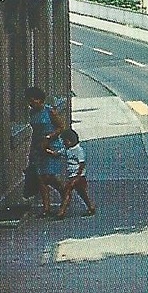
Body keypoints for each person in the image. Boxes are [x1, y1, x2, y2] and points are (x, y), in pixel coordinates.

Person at [25, 87, 67, 217]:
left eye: (33, 100)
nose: (31, 103)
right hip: (38, 146)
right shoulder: (32, 113)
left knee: (48, 176)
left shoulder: (50, 111)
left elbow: (61, 127)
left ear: (40, 100)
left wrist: (49, 136)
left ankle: (64, 191)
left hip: (51, 144)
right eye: (30, 101)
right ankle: (46, 207)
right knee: (40, 178)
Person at [55, 128, 96, 218]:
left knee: (67, 190)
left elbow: (82, 163)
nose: (64, 143)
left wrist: (78, 175)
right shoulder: (67, 149)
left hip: (78, 176)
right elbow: (57, 154)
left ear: (70, 140)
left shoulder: (78, 150)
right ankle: (91, 206)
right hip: (71, 176)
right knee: (82, 193)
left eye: (65, 141)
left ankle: (62, 211)